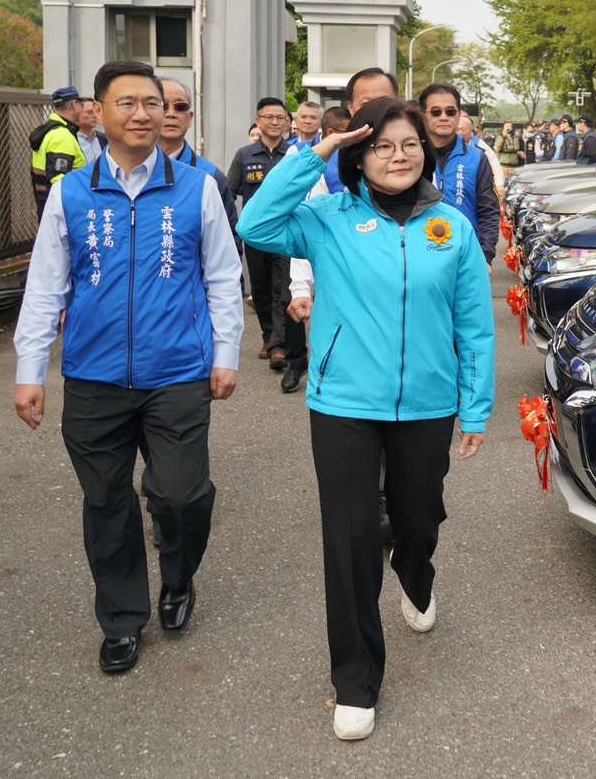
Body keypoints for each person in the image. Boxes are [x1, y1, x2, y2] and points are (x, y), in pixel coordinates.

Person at [235, 98, 495, 742]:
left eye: (409, 143)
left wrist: (475, 406)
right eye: (381, 145)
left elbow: (474, 326)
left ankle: (416, 572)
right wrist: (315, 152)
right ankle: (354, 680)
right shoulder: (327, 218)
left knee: (418, 516)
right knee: (350, 539)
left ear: (426, 151)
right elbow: (257, 224)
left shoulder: (451, 228)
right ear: (359, 155)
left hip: (428, 404)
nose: (398, 155)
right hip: (344, 404)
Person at [12, 59, 243, 675]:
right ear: (99, 112)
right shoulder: (72, 192)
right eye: (128, 103)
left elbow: (223, 276)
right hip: (94, 376)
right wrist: (31, 369)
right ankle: (121, 619)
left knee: (181, 495)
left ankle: (179, 577)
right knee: (106, 502)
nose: (143, 114)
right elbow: (47, 285)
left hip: (178, 373)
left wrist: (225, 354)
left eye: (153, 103)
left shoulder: (196, 187)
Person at [284, 68, 399, 394]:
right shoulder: (328, 158)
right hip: (343, 286)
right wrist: (301, 287)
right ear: (351, 108)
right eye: (366, 102)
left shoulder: (413, 154)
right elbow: (307, 226)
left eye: (384, 100)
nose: (376, 109)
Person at [227, 97, 293, 370]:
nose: (275, 122)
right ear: (258, 121)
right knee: (262, 290)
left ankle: (279, 344)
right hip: (255, 235)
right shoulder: (244, 155)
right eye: (269, 117)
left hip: (287, 233)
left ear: (287, 122)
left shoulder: (294, 154)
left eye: (280, 117)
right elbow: (230, 192)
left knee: (283, 288)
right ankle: (269, 337)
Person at [419, 84, 499, 263]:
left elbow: (489, 211)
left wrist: (485, 256)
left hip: (467, 257)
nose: (444, 117)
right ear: (423, 116)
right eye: (435, 112)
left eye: (450, 112)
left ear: (458, 115)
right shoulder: (411, 156)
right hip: (421, 256)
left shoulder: (477, 158)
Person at [157, 78, 237, 233]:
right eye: (163, 106)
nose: (171, 114)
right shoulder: (128, 171)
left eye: (180, 107)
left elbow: (228, 241)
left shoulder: (210, 176)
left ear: (190, 117)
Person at [29, 86, 88, 220]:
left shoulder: (50, 131)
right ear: (73, 104)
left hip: (46, 204)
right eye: (81, 104)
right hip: (63, 211)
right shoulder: (61, 135)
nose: (82, 108)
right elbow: (59, 180)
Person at [459, 112, 506, 201]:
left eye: (465, 118)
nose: (461, 121)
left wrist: (499, 185)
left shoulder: (479, 144)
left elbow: (494, 164)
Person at [76, 99, 105, 164]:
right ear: (77, 114)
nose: (95, 115)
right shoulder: (72, 140)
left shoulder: (104, 138)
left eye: (96, 111)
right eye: (90, 112)